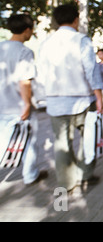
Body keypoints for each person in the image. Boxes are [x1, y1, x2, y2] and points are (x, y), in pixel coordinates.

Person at [38, 4, 103, 193]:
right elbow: (91, 70)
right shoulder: (81, 40)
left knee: (61, 144)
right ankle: (85, 175)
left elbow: (42, 74)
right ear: (76, 20)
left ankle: (67, 183)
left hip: (55, 102)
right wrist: (99, 96)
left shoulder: (45, 43)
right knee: (88, 139)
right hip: (83, 100)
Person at [0, 14, 48, 185]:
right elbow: (25, 80)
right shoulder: (24, 51)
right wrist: (27, 104)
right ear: (27, 30)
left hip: (2, 105)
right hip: (18, 105)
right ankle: (30, 175)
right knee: (30, 141)